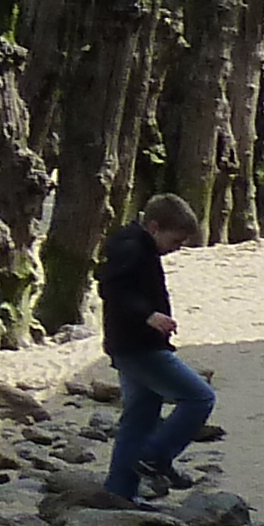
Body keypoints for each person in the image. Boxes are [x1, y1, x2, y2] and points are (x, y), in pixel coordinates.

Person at [98, 191, 213, 501]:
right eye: (174, 241)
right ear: (153, 226)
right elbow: (111, 288)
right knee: (200, 398)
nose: (174, 249)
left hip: (128, 345)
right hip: (139, 347)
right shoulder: (133, 248)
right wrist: (147, 315)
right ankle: (156, 456)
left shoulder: (134, 243)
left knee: (139, 419)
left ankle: (119, 493)